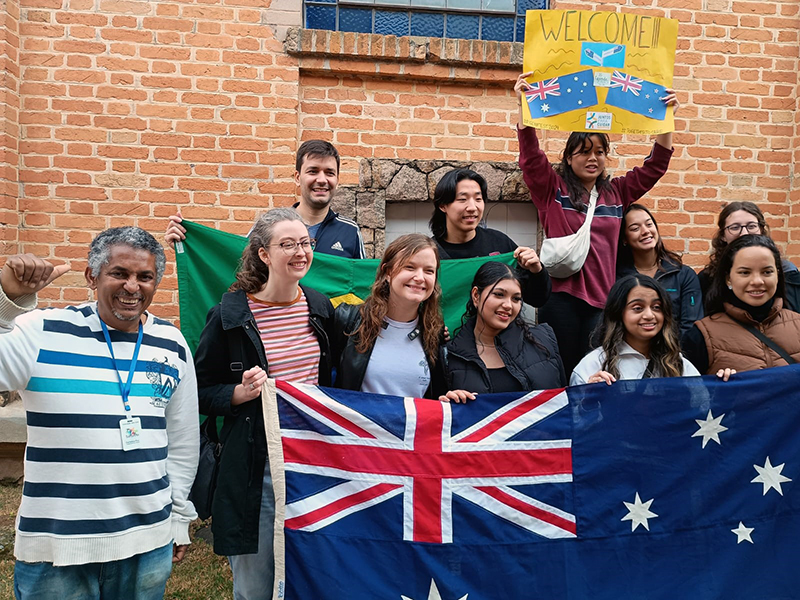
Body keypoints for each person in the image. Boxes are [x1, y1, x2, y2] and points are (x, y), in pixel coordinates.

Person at [4, 228, 199, 599]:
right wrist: (7, 301)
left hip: (147, 540)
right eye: (119, 273)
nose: (132, 287)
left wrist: (177, 517)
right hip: (58, 547)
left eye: (144, 277)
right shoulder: (42, 330)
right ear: (92, 276)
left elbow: (183, 440)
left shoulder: (171, 343)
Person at [193, 208, 334, 600]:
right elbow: (199, 389)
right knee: (256, 586)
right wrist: (237, 393)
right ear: (263, 255)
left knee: (311, 576)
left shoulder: (321, 308)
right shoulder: (229, 315)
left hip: (314, 463)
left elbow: (338, 377)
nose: (299, 252)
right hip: (257, 468)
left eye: (305, 243)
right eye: (287, 244)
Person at [514, 71, 679, 376]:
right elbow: (531, 158)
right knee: (560, 369)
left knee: (595, 370)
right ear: (569, 157)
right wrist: (525, 108)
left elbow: (656, 166)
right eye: (585, 151)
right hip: (560, 297)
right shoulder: (553, 190)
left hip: (602, 300)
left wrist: (665, 119)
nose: (593, 158)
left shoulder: (616, 192)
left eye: (600, 152)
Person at [165, 139, 366, 259]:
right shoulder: (269, 225)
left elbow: (362, 287)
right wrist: (188, 244)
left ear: (337, 180)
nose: (321, 180)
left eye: (329, 173)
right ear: (297, 177)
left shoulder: (350, 231)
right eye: (313, 171)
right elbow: (233, 262)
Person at [332, 233, 472, 402]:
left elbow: (434, 398)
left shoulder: (435, 334)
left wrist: (449, 399)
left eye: (429, 271)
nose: (419, 278)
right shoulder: (349, 320)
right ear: (387, 272)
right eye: (410, 267)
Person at [429, 167, 551, 307]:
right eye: (462, 199)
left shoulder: (500, 244)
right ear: (443, 205)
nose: (472, 207)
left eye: (478, 199)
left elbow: (538, 299)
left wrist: (536, 270)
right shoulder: (430, 253)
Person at [683, 235, 800, 374]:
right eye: (745, 272)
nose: (757, 281)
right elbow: (687, 392)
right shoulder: (701, 336)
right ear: (728, 278)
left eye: (767, 272)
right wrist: (718, 389)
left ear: (778, 275)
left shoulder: (797, 325)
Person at [444, 261, 565, 395]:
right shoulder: (450, 356)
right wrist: (448, 402)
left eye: (516, 298)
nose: (508, 305)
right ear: (476, 296)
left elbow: (564, 403)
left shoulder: (545, 340)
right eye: (499, 294)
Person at [571, 274, 701, 386]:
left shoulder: (677, 363)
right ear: (618, 313)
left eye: (656, 307)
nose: (649, 315)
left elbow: (703, 406)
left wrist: (721, 382)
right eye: (638, 308)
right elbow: (573, 413)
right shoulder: (593, 364)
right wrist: (586, 396)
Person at [617, 203, 703, 335]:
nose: (645, 231)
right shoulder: (617, 276)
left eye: (649, 224)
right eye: (635, 228)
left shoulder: (683, 275)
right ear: (624, 239)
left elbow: (690, 326)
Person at [697, 201, 799, 311]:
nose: (745, 233)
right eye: (735, 227)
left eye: (752, 226)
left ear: (761, 230)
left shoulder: (788, 272)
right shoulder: (707, 278)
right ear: (722, 236)